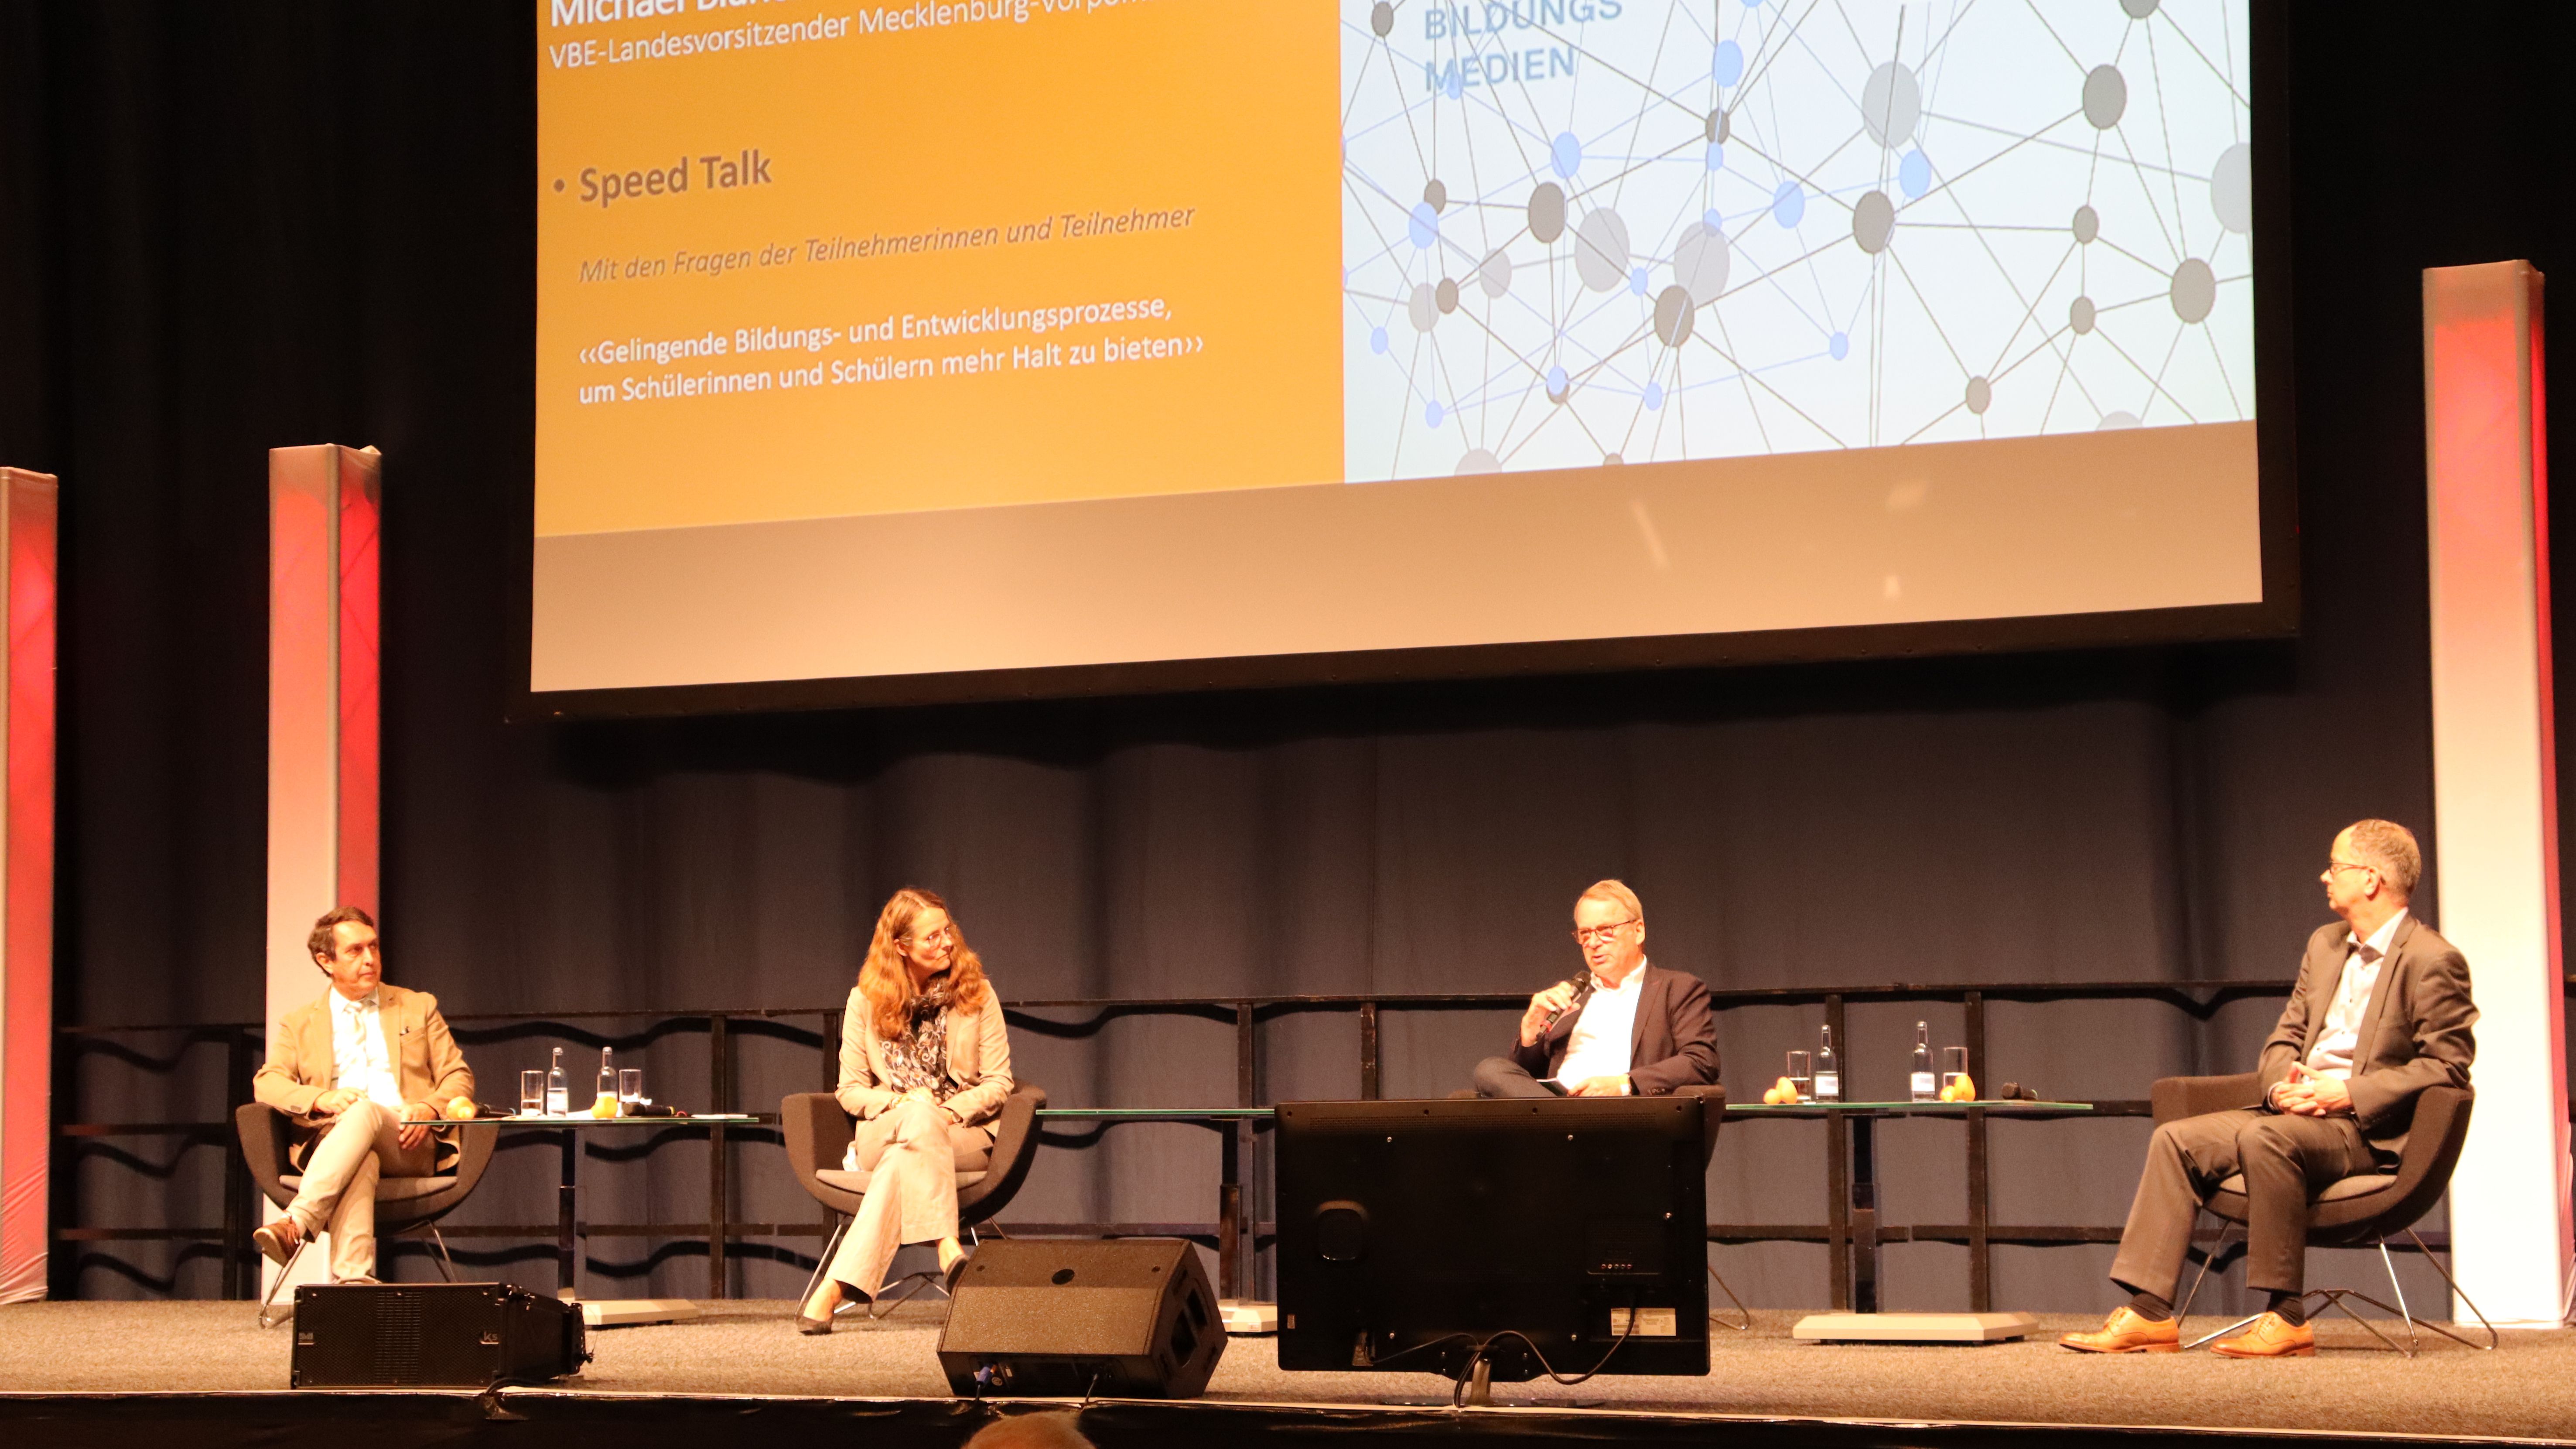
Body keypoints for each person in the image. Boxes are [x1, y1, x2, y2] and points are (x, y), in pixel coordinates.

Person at [2063, 820, 2477, 1358]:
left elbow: (2448, 1066)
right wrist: (2283, 1085)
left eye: (2336, 865)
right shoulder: (2325, 945)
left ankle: (2284, 1316)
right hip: (2295, 1110)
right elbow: (2285, 1036)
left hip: (2360, 1129)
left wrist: (2346, 1093)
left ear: (2371, 879)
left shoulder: (2431, 960)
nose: (2323, 876)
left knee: (2268, 1141)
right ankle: (2149, 1313)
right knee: (2175, 1140)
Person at [800, 887, 1015, 1333]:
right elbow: (851, 1090)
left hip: (961, 1129)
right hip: (887, 1126)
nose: (946, 943)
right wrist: (902, 1101)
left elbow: (999, 1082)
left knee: (919, 1131)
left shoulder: (977, 994)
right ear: (900, 947)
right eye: (931, 938)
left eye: (947, 932)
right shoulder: (864, 1000)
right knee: (915, 1120)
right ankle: (947, 1246)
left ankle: (835, 1287)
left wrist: (946, 1112)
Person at [248, 906, 476, 1282]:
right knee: (362, 1157)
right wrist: (320, 1099)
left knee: (366, 1112)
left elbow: (458, 1076)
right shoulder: (301, 1023)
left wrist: (429, 1107)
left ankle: (296, 1221)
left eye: (374, 948)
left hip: (408, 1139)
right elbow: (267, 1083)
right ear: (326, 961)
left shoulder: (417, 1006)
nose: (370, 959)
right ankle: (353, 1286)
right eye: (355, 951)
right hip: (334, 1143)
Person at [1472, 879, 1719, 1097]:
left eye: (1605, 930)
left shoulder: (1676, 989)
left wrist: (1623, 1084)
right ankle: (1565, 1122)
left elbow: (1701, 1062)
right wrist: (1529, 1037)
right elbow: (1526, 1083)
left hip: (1625, 1117)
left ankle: (1566, 1124)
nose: (1593, 942)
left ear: (1638, 931)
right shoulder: (1571, 997)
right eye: (1585, 933)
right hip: (1556, 1114)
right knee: (1490, 1070)